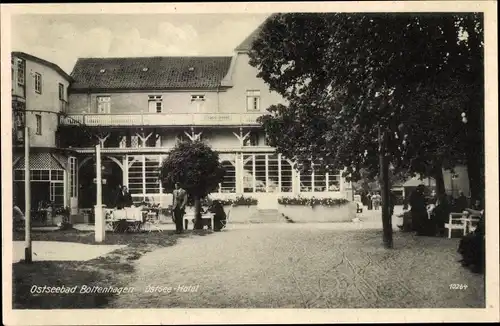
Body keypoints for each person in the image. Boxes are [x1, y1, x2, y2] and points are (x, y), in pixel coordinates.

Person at [457, 207, 485, 273]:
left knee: (473, 239)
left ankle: (476, 264)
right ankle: (466, 260)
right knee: (466, 237)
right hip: (480, 231)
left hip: (485, 233)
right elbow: (478, 213)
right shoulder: (485, 210)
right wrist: (468, 209)